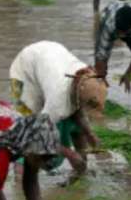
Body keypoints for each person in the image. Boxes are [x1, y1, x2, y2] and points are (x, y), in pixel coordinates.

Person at [10, 41, 105, 171]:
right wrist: (70, 154)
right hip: (24, 70)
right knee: (27, 132)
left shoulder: (86, 76)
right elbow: (38, 133)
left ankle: (81, 172)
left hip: (48, 56)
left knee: (76, 125)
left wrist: (90, 134)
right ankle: (20, 179)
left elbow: (78, 110)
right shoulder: (57, 104)